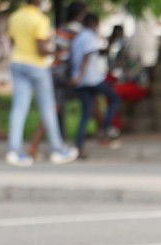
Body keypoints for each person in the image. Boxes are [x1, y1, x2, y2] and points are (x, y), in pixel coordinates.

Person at [5, 0, 78, 167]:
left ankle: (14, 150)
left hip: (17, 62)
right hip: (36, 66)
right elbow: (41, 48)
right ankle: (57, 149)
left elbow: (12, 42)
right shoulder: (40, 19)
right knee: (48, 108)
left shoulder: (15, 16)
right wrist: (55, 52)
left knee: (19, 107)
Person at [27, 1, 86, 161]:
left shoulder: (62, 29)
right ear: (80, 14)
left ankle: (42, 145)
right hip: (64, 73)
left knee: (56, 107)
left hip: (56, 71)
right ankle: (36, 145)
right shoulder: (77, 30)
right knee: (53, 108)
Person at [70, 12, 121, 159]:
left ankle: (79, 144)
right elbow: (87, 56)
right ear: (93, 24)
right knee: (114, 98)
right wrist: (81, 74)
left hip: (81, 81)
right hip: (91, 79)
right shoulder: (89, 37)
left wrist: (77, 77)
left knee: (86, 114)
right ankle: (105, 127)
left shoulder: (78, 37)